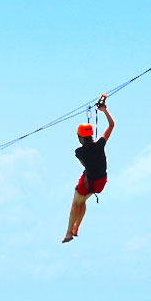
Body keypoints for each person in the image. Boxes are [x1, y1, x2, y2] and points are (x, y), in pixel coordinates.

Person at [63, 94, 116, 243]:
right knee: (83, 202)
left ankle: (68, 233)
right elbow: (112, 126)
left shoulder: (79, 152)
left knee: (76, 203)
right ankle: (76, 228)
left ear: (79, 137)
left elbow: (84, 165)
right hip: (100, 182)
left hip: (89, 181)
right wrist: (104, 111)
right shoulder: (100, 144)